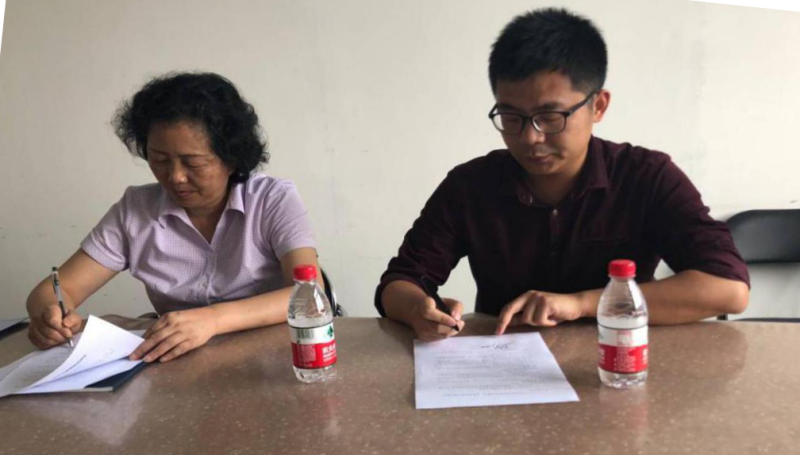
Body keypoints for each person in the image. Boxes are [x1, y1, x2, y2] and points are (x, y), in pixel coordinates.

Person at [375, 8, 750, 341]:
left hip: (617, 363)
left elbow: (728, 287)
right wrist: (418, 309)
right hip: (502, 370)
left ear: (598, 105)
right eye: (511, 117)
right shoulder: (470, 187)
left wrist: (581, 304)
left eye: (550, 117)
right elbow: (399, 282)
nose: (530, 137)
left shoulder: (646, 177)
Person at [27, 72, 322, 362]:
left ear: (232, 158)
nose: (175, 176)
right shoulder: (136, 210)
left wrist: (213, 320)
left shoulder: (272, 200)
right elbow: (54, 290)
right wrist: (50, 316)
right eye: (160, 159)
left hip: (275, 356)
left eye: (193, 163)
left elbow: (309, 295)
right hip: (181, 362)